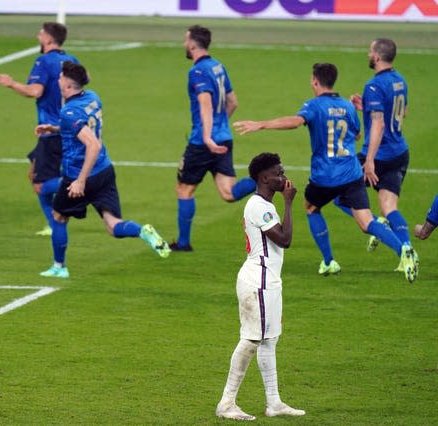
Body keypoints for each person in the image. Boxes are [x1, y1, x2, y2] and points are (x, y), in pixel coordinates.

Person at [233, 63, 417, 283]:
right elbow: (357, 136)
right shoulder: (348, 107)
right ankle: (404, 249)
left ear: (315, 81)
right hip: (352, 173)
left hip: (325, 176)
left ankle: (329, 261)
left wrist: (262, 124)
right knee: (366, 221)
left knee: (311, 208)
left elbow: (295, 122)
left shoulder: (314, 106)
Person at [34, 61, 170, 278]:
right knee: (113, 225)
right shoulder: (92, 98)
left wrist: (79, 180)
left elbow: (93, 145)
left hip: (79, 173)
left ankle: (59, 267)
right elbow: (83, 128)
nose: (57, 80)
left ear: (68, 86)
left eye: (60, 78)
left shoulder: (69, 111)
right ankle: (142, 231)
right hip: (105, 171)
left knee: (59, 216)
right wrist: (55, 128)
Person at [216, 152, 304, 420]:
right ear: (264, 178)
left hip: (268, 280)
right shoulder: (260, 206)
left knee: (269, 341)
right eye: (278, 173)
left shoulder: (264, 204)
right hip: (259, 281)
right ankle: (227, 403)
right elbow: (285, 239)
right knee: (252, 339)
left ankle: (274, 403)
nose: (283, 177)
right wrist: (289, 204)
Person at [171, 25, 256, 252]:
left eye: (185, 39)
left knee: (184, 190)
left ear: (192, 44)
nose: (183, 44)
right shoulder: (218, 66)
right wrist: (220, 127)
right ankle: (262, 180)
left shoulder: (197, 72)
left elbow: (205, 103)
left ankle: (183, 242)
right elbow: (233, 102)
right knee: (228, 193)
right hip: (224, 138)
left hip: (203, 142)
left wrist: (208, 136)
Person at [0, 22, 78, 237]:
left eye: (40, 33)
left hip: (50, 132)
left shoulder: (43, 61)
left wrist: (11, 83)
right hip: (70, 129)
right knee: (34, 172)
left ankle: (79, 185)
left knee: (40, 184)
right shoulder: (72, 61)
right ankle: (54, 221)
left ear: (49, 39)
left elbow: (35, 91)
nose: (37, 36)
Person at [347, 39, 414, 256]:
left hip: (379, 155)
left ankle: (376, 226)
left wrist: (369, 160)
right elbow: (403, 112)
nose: (368, 54)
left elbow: (379, 123)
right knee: (389, 206)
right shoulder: (400, 81)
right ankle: (407, 250)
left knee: (338, 193)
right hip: (399, 152)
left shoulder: (374, 85)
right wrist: (365, 107)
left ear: (377, 56)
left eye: (370, 51)